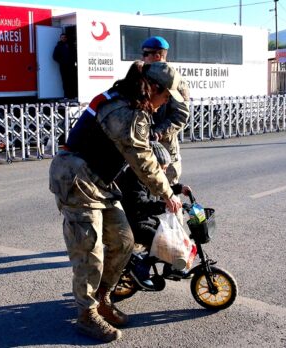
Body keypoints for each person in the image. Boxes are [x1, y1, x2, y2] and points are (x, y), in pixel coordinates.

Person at [48, 61, 183, 342]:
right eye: (166, 96)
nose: (165, 103)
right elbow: (142, 160)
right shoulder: (126, 110)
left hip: (100, 181)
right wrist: (167, 193)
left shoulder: (132, 103)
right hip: (76, 179)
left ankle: (102, 299)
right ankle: (86, 315)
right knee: (90, 249)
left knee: (123, 241)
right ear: (154, 88)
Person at [115, 141, 190, 288]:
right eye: (162, 169)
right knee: (161, 241)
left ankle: (171, 267)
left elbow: (164, 188)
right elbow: (140, 204)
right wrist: (164, 206)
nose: (163, 173)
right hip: (134, 222)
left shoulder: (148, 177)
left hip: (147, 219)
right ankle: (141, 269)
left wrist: (179, 189)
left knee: (173, 234)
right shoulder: (134, 178)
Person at [141, 36, 190, 185]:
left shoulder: (174, 80)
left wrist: (158, 131)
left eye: (145, 54)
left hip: (164, 146)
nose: (142, 58)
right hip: (143, 142)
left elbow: (181, 115)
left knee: (166, 191)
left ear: (157, 56)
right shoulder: (143, 76)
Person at [52, 33, 78, 99]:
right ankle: (66, 96)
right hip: (63, 67)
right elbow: (54, 57)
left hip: (72, 66)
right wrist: (62, 62)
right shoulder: (58, 46)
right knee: (65, 81)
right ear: (60, 38)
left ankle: (74, 95)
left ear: (66, 38)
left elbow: (75, 55)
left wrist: (74, 62)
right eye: (62, 37)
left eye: (64, 37)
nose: (63, 38)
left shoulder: (71, 45)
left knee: (73, 80)